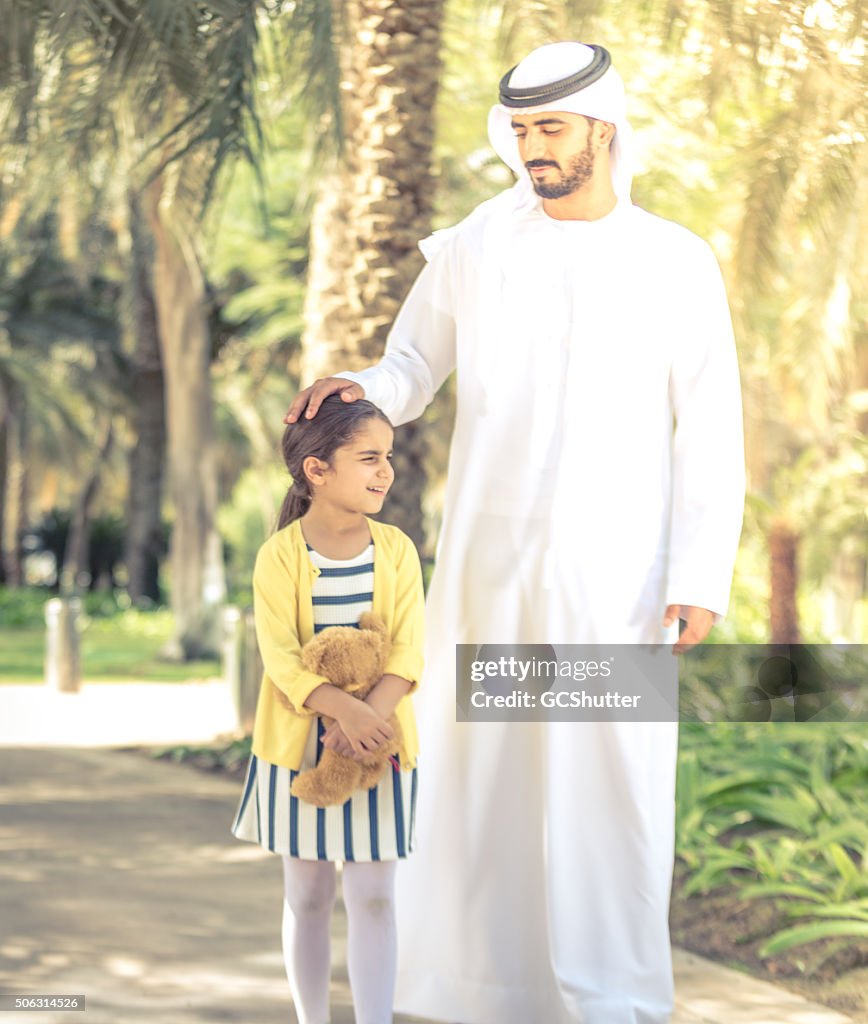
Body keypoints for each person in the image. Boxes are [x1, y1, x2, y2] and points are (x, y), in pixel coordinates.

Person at [285, 41, 744, 1024]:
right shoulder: (480, 244)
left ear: (602, 128)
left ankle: (612, 995)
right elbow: (411, 364)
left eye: (552, 128)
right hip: (491, 570)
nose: (533, 148)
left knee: (609, 781)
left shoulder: (674, 260)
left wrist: (700, 571)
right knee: (485, 773)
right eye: (522, 129)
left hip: (617, 576)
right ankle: (475, 991)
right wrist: (360, 387)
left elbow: (710, 425)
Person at [231, 395, 425, 1024]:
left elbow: (408, 649)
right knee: (308, 896)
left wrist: (369, 721)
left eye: (388, 457)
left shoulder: (396, 550)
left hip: (380, 749)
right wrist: (346, 712)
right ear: (317, 469)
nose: (384, 471)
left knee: (373, 899)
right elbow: (282, 659)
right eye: (368, 457)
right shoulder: (279, 556)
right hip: (298, 755)